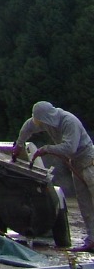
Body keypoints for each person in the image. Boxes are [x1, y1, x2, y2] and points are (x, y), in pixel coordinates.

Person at [12, 100, 94, 251]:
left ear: (47, 116)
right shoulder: (45, 121)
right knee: (85, 205)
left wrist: (46, 149)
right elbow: (28, 127)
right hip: (77, 165)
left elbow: (70, 148)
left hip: (89, 163)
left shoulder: (69, 122)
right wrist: (19, 144)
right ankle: (92, 240)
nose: (39, 124)